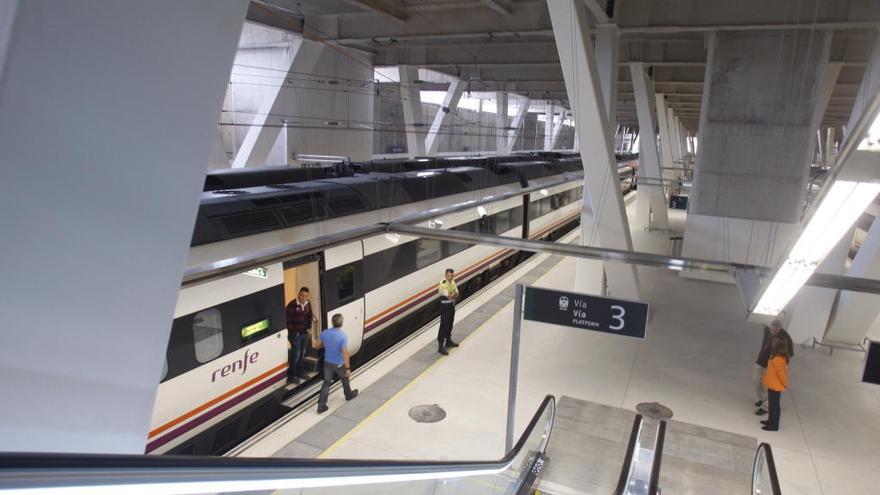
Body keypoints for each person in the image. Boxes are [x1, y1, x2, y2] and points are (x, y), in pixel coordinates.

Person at [312, 313, 358, 414]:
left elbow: (316, 345)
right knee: (345, 379)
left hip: (327, 363)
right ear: (341, 323)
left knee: (326, 383)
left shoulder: (325, 333)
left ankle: (321, 405)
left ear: (332, 323)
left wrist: (324, 343)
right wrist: (348, 368)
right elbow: (345, 353)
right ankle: (348, 395)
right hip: (339, 364)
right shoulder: (342, 336)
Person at [753, 319, 793, 415]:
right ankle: (763, 399)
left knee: (770, 387)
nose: (772, 331)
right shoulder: (767, 329)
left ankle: (766, 407)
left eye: (774, 330)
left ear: (779, 328)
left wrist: (778, 360)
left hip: (773, 365)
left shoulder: (785, 338)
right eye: (770, 329)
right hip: (761, 360)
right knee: (756, 381)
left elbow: (790, 353)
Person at [285, 287, 316, 384]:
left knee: (302, 353)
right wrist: (294, 332)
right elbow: (287, 321)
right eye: (302, 295)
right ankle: (292, 375)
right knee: (296, 355)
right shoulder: (292, 305)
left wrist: (308, 328)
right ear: (298, 294)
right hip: (295, 335)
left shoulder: (307, 304)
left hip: (304, 333)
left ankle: (301, 372)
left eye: (306, 296)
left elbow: (310, 316)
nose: (303, 298)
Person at [761, 337, 790, 431]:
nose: (772, 344)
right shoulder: (775, 356)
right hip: (772, 385)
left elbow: (781, 373)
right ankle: (770, 420)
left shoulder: (779, 359)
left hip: (775, 386)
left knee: (775, 405)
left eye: (774, 343)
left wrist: (785, 383)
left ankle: (774, 425)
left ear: (778, 346)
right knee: (771, 404)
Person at [437, 268, 460, 355]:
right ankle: (440, 346)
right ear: (445, 275)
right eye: (448, 275)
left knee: (450, 323)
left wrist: (453, 294)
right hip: (445, 307)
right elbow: (450, 296)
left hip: (451, 306)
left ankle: (448, 340)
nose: (450, 277)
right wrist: (453, 294)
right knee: (444, 324)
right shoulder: (443, 284)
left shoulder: (452, 282)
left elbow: (457, 293)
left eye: (451, 275)